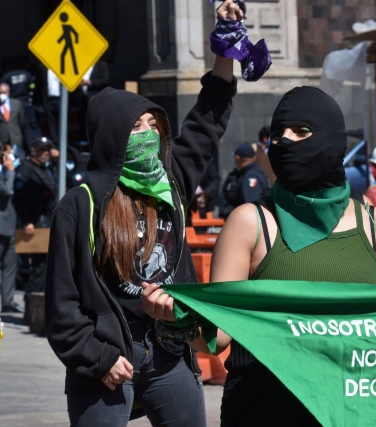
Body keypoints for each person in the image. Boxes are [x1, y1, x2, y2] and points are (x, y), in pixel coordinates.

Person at [142, 85, 376, 425]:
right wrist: (174, 318)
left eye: (300, 131)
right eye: (278, 134)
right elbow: (217, 336)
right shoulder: (250, 222)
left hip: (357, 411)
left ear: (330, 139)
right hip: (266, 410)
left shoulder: (374, 224)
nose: (284, 142)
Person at [44, 1, 238, 425]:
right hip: (109, 361)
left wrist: (226, 47)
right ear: (112, 137)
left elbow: (206, 123)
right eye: (136, 127)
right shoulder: (80, 205)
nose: (149, 135)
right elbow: (62, 307)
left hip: (169, 350)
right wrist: (97, 358)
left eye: (155, 126)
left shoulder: (172, 182)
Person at [14, 137, 58, 323]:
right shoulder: (26, 170)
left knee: (49, 268)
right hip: (36, 225)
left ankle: (42, 310)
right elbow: (20, 198)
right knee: (39, 269)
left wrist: (57, 159)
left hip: (48, 222)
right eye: (42, 150)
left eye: (48, 149)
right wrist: (26, 222)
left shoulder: (47, 168)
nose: (46, 153)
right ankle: (30, 311)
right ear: (33, 151)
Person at [218, 142, 269, 219]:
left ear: (237, 158)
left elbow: (251, 208)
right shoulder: (246, 174)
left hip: (246, 224)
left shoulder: (251, 176)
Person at [0, 142, 21, 313]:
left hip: (9, 224)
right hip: (1, 225)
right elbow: (7, 190)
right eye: (6, 153)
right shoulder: (6, 172)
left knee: (10, 265)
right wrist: (11, 171)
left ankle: (7, 302)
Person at [1, 55, 40, 145]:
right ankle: (33, 147)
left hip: (13, 105)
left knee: (15, 127)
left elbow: (3, 87)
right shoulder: (26, 73)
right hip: (26, 102)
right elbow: (32, 86)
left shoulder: (7, 76)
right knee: (30, 127)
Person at [0, 83, 27, 152]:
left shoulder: (17, 103)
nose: (2, 95)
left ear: (8, 93)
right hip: (2, 139)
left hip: (15, 137)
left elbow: (22, 121)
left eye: (4, 92)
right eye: (0, 92)